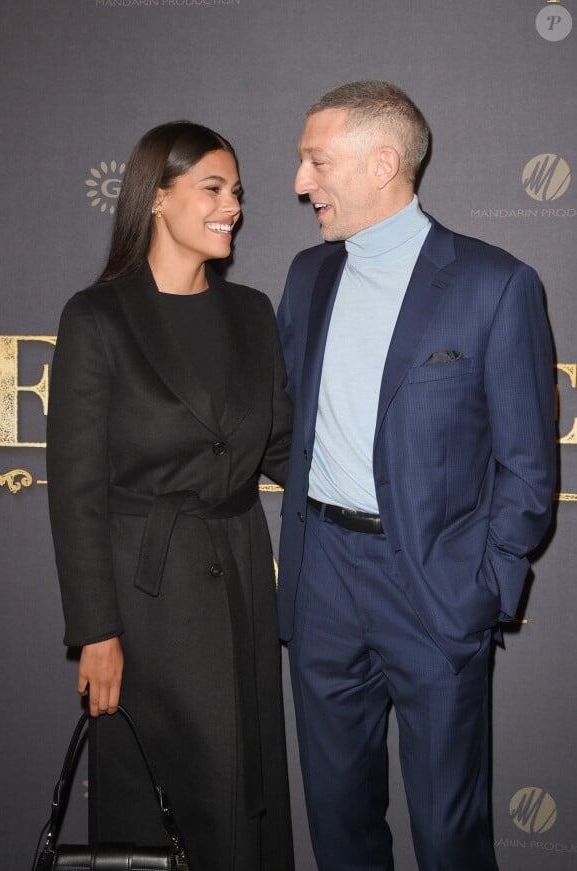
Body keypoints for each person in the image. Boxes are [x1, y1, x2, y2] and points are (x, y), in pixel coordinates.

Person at [277, 81, 556, 871]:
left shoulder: (495, 284)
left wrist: (485, 586)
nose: (300, 183)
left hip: (435, 586)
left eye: (315, 161)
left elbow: (530, 468)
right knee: (338, 826)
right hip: (324, 582)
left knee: (449, 834)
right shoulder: (307, 277)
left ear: (382, 163)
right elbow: (291, 428)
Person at [47, 120, 294, 871]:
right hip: (144, 601)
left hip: (242, 578)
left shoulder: (252, 311)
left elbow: (283, 446)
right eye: (213, 189)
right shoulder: (97, 317)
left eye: (238, 192)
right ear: (158, 198)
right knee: (159, 804)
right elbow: (76, 489)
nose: (234, 208)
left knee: (244, 790)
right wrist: (96, 631)